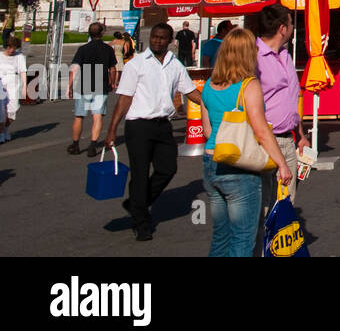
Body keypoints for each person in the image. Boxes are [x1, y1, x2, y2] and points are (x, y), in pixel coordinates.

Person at [105, 23, 203, 241]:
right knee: (139, 175)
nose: (157, 41)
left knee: (168, 168)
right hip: (138, 126)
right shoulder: (136, 64)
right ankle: (141, 222)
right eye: (154, 37)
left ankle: (136, 204)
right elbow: (124, 98)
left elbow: (191, 92)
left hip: (162, 125)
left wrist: (212, 104)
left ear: (170, 41)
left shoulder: (175, 65)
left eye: (162, 38)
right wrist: (112, 130)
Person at [200, 28, 291, 256]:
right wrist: (281, 163)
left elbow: (207, 128)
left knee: (221, 236)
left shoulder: (210, 84)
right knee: (243, 237)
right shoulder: (248, 85)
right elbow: (261, 130)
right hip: (239, 168)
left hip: (212, 160)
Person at [254, 3, 306, 209]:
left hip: (288, 139)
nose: (293, 28)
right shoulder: (254, 56)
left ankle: (277, 241)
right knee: (265, 203)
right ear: (282, 29)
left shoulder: (285, 54)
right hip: (266, 140)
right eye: (291, 23)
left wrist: (301, 134)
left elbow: (290, 98)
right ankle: (261, 242)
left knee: (286, 204)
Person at [67, 21, 118, 155]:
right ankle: (92, 145)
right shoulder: (108, 49)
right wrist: (112, 83)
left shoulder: (83, 49)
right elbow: (112, 69)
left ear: (89, 33)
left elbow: (75, 68)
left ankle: (75, 145)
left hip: (84, 84)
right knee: (97, 117)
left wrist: (69, 86)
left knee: (79, 116)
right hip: (101, 84)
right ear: (102, 33)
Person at [0, 34, 28, 143]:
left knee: (13, 109)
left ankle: (5, 128)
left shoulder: (19, 57)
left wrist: (25, 87)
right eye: (9, 47)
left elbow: (22, 72)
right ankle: (1, 132)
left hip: (14, 83)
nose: (11, 50)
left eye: (14, 48)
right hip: (1, 83)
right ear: (6, 46)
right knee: (1, 110)